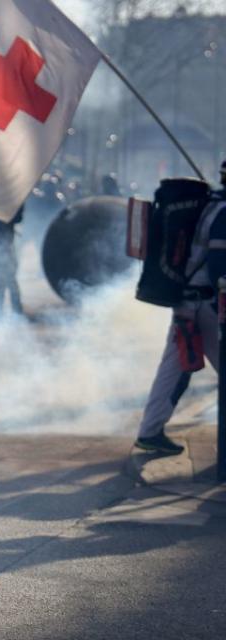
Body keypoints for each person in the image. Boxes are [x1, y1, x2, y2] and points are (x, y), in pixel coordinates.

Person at [135, 176, 226, 454]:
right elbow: (219, 267)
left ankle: (149, 432)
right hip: (206, 304)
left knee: (173, 370)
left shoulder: (208, 203)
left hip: (188, 301)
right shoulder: (223, 211)